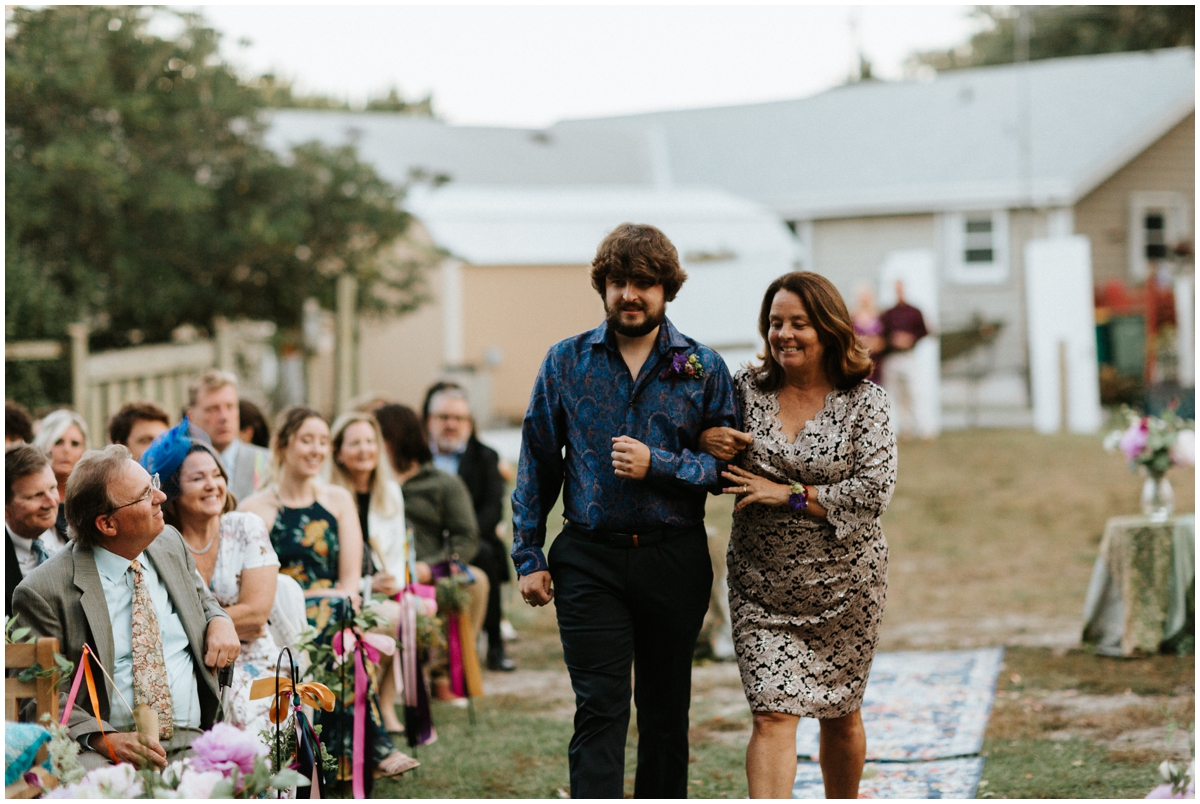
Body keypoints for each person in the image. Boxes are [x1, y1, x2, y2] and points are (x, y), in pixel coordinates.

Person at [511, 222, 739, 798]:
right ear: (603, 287)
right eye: (617, 281)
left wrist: (659, 464)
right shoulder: (564, 362)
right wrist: (528, 554)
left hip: (674, 558)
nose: (629, 294)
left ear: (667, 289)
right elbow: (537, 461)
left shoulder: (704, 368)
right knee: (600, 707)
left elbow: (727, 471)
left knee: (665, 713)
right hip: (588, 560)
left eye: (643, 282)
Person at [699, 271, 896, 799]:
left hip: (845, 587)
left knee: (840, 714)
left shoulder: (866, 402)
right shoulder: (744, 392)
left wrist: (787, 493)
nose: (783, 334)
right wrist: (705, 438)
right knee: (770, 715)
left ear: (828, 328)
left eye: (798, 323)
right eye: (775, 323)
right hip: (761, 586)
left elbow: (874, 491)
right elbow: (707, 458)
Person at [12, 445, 241, 769]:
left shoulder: (168, 543)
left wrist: (220, 621)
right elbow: (36, 695)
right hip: (106, 751)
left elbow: (203, 599)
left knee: (251, 770)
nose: (161, 498)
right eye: (145, 494)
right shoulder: (42, 592)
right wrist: (102, 738)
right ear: (107, 524)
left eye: (154, 484)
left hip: (193, 736)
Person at [239, 406, 418, 778]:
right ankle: (372, 747)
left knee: (340, 621)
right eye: (307, 440)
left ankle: (336, 754)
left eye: (322, 441)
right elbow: (252, 584)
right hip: (281, 613)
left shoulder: (337, 499)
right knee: (336, 625)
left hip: (336, 607)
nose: (316, 450)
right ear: (282, 445)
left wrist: (339, 602)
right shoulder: (257, 509)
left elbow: (350, 580)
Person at [141, 418, 280, 736]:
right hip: (188, 664)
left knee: (249, 709)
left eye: (217, 475)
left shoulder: (246, 527)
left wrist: (189, 627)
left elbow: (257, 613)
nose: (212, 485)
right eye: (198, 478)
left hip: (253, 657)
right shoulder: (160, 543)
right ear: (173, 490)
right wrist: (226, 621)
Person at [374, 403, 488, 647]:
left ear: (397, 439)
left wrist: (431, 567)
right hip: (379, 574)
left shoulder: (443, 483)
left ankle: (444, 674)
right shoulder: (368, 484)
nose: (369, 446)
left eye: (376, 438)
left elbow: (466, 538)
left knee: (476, 581)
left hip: (426, 571)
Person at [422, 381, 515, 672]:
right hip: (427, 543)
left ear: (469, 423)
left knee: (487, 553)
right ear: (428, 421)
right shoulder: (418, 457)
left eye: (458, 418)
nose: (451, 424)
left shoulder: (486, 456)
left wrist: (464, 537)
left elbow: (493, 508)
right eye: (443, 417)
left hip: (474, 539)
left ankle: (495, 644)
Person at [329, 410, 408, 734]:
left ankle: (385, 702)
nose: (364, 450)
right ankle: (369, 704)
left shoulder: (390, 493)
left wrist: (392, 581)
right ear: (338, 452)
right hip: (345, 588)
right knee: (393, 616)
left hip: (384, 587)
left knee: (408, 613)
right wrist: (365, 584)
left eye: (369, 441)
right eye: (355, 443)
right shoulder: (328, 495)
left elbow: (398, 552)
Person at [186, 370, 272, 502]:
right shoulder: (179, 467)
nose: (224, 417)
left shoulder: (268, 463)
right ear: (191, 417)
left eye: (230, 407)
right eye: (213, 409)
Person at [5, 446, 67, 616]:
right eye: (36, 495)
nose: (51, 502)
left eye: (52, 488)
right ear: (5, 509)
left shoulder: (80, 523)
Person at [880, 279, 936, 440]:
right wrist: (893, 340)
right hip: (892, 357)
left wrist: (910, 338)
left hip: (909, 357)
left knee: (916, 393)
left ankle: (925, 428)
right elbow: (882, 335)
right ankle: (906, 429)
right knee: (898, 395)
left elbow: (924, 331)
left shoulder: (915, 312)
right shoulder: (888, 314)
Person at [32, 408, 89, 542]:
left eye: (75, 443)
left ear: (84, 450)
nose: (66, 450)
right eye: (58, 442)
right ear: (44, 443)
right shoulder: (27, 497)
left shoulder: (91, 498)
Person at [852, 283, 887, 386]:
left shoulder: (880, 315)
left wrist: (878, 343)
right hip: (860, 362)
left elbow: (887, 338)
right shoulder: (852, 317)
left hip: (877, 361)